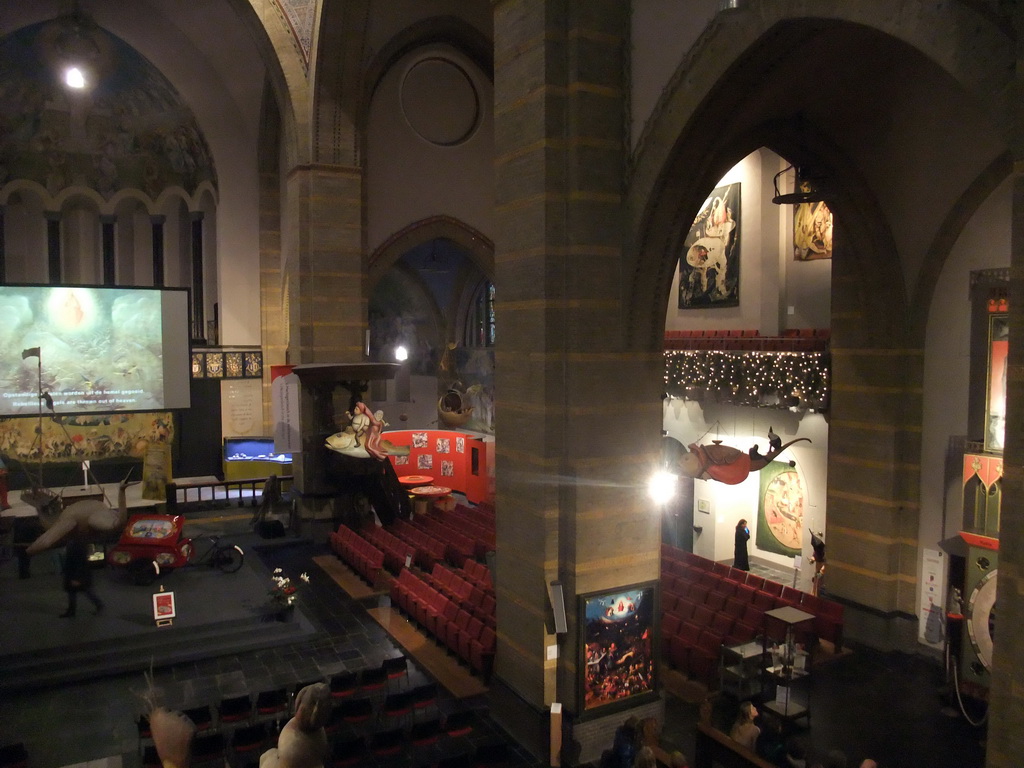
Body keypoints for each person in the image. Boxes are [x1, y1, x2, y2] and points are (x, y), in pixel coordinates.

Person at [60, 529, 103, 617]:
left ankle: (72, 610)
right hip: (77, 573)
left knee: (82, 591)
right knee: (82, 590)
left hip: (76, 573)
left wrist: (76, 577)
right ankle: (72, 610)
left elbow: (79, 561)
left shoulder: (76, 544)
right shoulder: (78, 543)